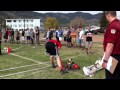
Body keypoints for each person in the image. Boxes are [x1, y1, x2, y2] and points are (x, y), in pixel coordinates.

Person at [102, 11, 120, 79]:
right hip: (118, 56)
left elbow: (110, 45)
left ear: (108, 15)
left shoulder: (113, 25)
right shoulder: (118, 23)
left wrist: (105, 61)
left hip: (113, 57)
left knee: (110, 77)